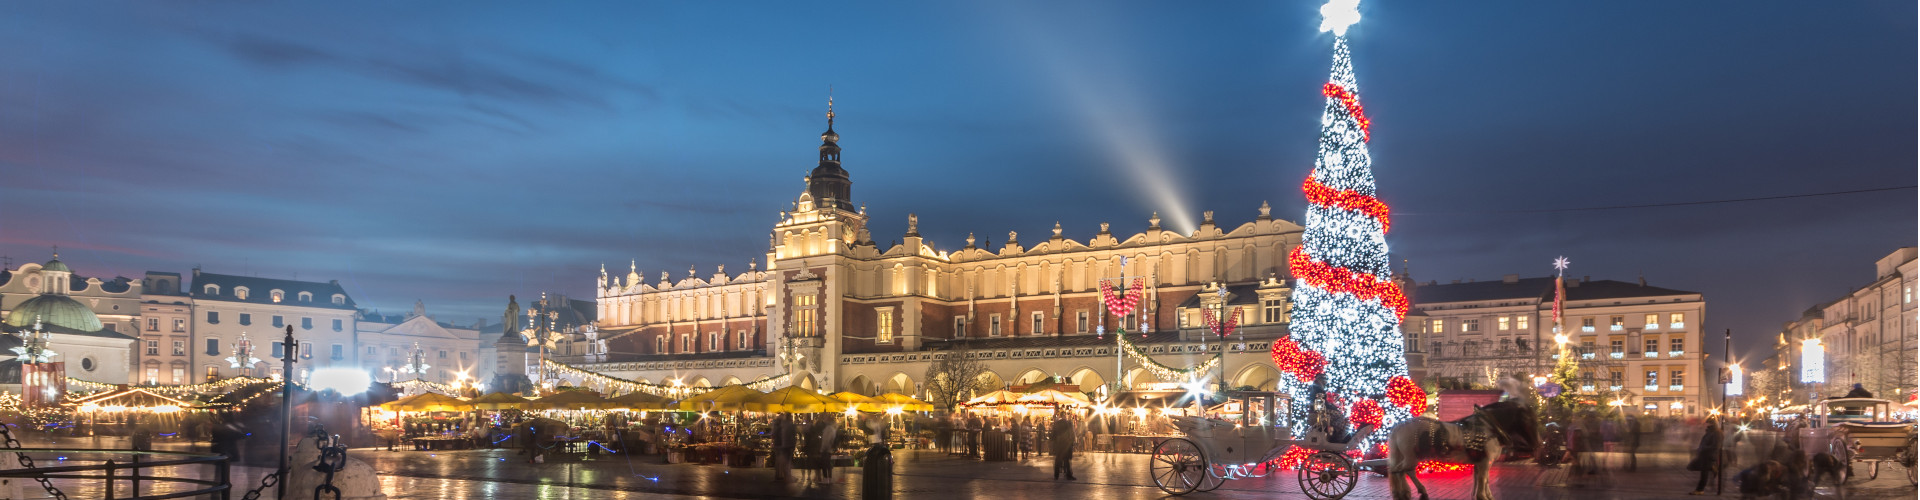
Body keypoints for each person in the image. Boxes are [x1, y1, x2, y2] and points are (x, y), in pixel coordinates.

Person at [1687, 417, 1723, 495]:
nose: (1704, 425)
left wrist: (1704, 448)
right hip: (1704, 454)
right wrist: (1700, 449)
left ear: (1710, 424)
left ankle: (1700, 490)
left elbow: (1716, 446)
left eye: (1706, 423)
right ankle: (1712, 467)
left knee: (1704, 473)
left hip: (1709, 455)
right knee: (1691, 466)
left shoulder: (1717, 433)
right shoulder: (1709, 431)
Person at [1050, 413, 1077, 480]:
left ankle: (1056, 475)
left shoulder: (1056, 424)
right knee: (1067, 460)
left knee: (1058, 460)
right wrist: (1072, 442)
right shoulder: (1069, 423)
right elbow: (1072, 434)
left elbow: (1052, 435)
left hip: (1059, 445)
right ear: (1065, 416)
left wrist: (1053, 443)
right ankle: (1068, 475)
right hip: (1066, 445)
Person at [815, 415, 840, 484]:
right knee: (828, 464)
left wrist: (823, 448)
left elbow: (826, 440)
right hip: (829, 449)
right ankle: (829, 478)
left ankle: (825, 479)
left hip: (826, 449)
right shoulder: (832, 429)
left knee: (824, 464)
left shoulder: (828, 429)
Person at [772, 413, 796, 482]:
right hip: (782, 445)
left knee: (780, 460)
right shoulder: (784, 425)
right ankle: (785, 476)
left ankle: (780, 475)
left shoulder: (778, 424)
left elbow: (774, 434)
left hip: (780, 444)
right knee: (785, 461)